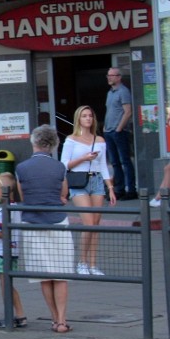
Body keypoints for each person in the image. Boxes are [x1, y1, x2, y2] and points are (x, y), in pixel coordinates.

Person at [16, 125, 75, 333]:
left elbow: (22, 196)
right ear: (52, 145)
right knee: (61, 274)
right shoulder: (59, 167)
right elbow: (63, 194)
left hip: (33, 223)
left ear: (34, 142)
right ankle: (62, 319)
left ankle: (52, 317)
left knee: (44, 275)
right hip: (57, 222)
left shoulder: (21, 168)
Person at [60, 105, 116, 276]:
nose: (88, 119)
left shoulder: (99, 140)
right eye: (84, 116)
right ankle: (82, 262)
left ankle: (93, 264)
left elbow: (103, 165)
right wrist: (84, 158)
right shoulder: (71, 139)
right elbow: (64, 165)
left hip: (97, 180)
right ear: (78, 119)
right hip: (79, 181)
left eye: (90, 116)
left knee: (96, 225)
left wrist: (110, 188)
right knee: (89, 223)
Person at [0, 173, 27, 328]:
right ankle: (18, 314)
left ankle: (13, 315)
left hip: (3, 251)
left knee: (5, 285)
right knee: (7, 283)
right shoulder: (15, 208)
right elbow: (3, 228)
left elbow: (3, 234)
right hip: (13, 250)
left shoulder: (2, 210)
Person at [104, 67, 137, 200]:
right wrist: (106, 129)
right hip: (109, 131)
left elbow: (128, 111)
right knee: (115, 162)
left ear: (119, 77)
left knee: (125, 161)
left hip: (119, 132)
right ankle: (119, 189)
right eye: (108, 75)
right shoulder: (110, 92)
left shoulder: (123, 91)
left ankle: (131, 190)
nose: (109, 78)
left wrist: (118, 128)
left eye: (112, 75)